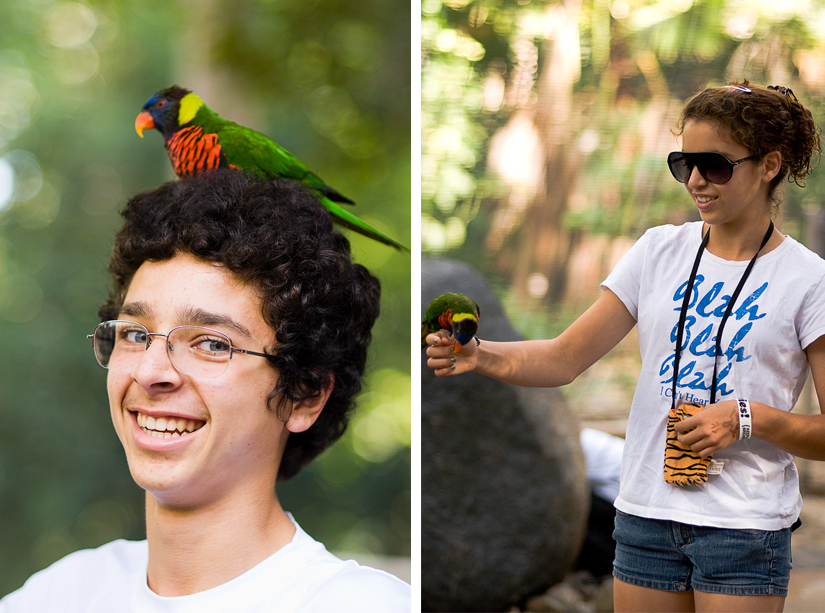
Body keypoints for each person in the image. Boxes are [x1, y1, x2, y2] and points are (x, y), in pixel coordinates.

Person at [426, 81, 825, 613]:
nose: (698, 181)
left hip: (743, 531)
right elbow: (566, 357)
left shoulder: (809, 281)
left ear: (770, 165)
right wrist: (481, 356)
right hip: (645, 519)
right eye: (684, 164)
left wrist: (746, 418)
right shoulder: (658, 250)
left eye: (716, 165)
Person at [1, 170, 410, 612]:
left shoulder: (356, 604)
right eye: (136, 335)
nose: (150, 371)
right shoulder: (61, 594)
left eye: (211, 344)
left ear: (305, 393)